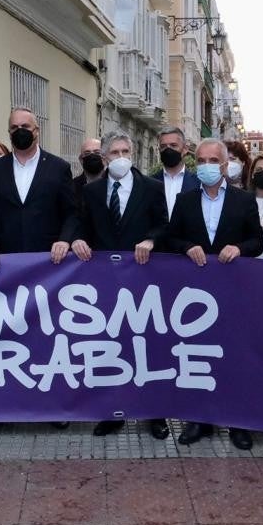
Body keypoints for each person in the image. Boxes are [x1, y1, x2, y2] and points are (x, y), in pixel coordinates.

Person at [70, 132, 170, 440]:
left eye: (126, 150)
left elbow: (164, 224)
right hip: (105, 283)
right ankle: (112, 410)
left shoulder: (152, 188)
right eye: (115, 152)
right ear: (105, 158)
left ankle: (155, 413)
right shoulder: (92, 191)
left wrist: (152, 239)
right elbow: (81, 225)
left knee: (147, 346)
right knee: (110, 346)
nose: (121, 156)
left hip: (143, 280)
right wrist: (77, 239)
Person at [166, 138, 263, 450]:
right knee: (198, 353)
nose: (207, 166)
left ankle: (238, 421)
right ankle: (199, 420)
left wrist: (240, 248)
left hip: (233, 289)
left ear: (225, 165)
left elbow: (257, 241)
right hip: (195, 293)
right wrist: (186, 247)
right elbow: (172, 238)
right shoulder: (185, 200)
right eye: (202, 160)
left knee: (235, 354)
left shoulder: (243, 200)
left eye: (213, 161)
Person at [0, 107, 78, 268]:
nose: (20, 131)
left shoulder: (58, 168)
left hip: (50, 261)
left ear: (36, 130)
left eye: (25, 127)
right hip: (5, 261)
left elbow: (71, 212)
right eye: (14, 128)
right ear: (9, 132)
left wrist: (64, 240)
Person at [152, 127, 200, 219]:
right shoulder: (149, 183)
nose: (168, 150)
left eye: (173, 145)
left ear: (185, 149)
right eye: (163, 146)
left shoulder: (198, 183)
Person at [73, 137, 105, 210]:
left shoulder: (114, 185)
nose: (92, 156)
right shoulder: (72, 187)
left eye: (97, 153)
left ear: (104, 157)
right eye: (87, 153)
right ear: (81, 159)